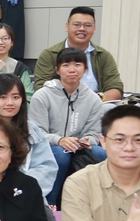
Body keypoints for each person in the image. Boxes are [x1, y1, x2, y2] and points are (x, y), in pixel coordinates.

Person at [29, 47, 107, 206]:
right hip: (50, 147)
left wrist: (87, 141)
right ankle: (49, 203)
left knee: (101, 152)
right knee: (60, 154)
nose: (72, 70)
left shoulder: (93, 99)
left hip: (79, 148)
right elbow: (36, 133)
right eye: (66, 65)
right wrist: (60, 140)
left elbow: (94, 135)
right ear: (57, 70)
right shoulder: (42, 96)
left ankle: (92, 204)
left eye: (77, 65)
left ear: (85, 70)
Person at [0, 73, 59, 202]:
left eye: (16, 97)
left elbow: (47, 168)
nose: (10, 103)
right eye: (3, 97)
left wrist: (18, 188)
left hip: (26, 198)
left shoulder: (33, 131)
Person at [33, 7, 123, 101]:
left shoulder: (103, 56)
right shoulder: (49, 54)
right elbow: (41, 88)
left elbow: (116, 88)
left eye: (88, 25)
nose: (82, 29)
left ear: (94, 29)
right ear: (67, 26)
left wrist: (92, 101)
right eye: (76, 25)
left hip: (96, 104)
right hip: (59, 105)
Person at [0, 22, 34, 102]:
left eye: (5, 38)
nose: (0, 42)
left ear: (12, 42)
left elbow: (28, 98)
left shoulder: (20, 68)